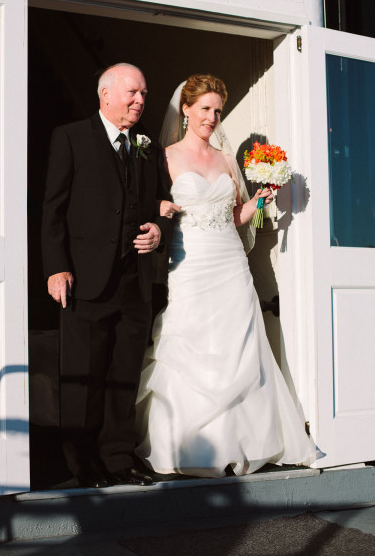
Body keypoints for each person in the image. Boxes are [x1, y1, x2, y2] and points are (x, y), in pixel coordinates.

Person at [135, 74, 315, 478]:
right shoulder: (163, 157)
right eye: (205, 109)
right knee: (190, 340)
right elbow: (151, 209)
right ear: (185, 109)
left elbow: (235, 218)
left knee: (242, 344)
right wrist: (160, 210)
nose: (213, 118)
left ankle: (248, 440)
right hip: (190, 263)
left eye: (218, 111)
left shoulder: (224, 158)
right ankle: (188, 444)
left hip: (230, 261)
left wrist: (258, 200)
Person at [41, 63, 173, 488]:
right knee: (84, 374)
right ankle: (80, 465)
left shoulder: (148, 148)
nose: (140, 101)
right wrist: (56, 266)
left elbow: (162, 204)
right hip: (84, 279)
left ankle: (117, 458)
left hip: (134, 282)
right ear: (106, 94)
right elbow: (52, 208)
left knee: (123, 375)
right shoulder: (71, 137)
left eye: (144, 94)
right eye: (133, 92)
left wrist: (158, 228)